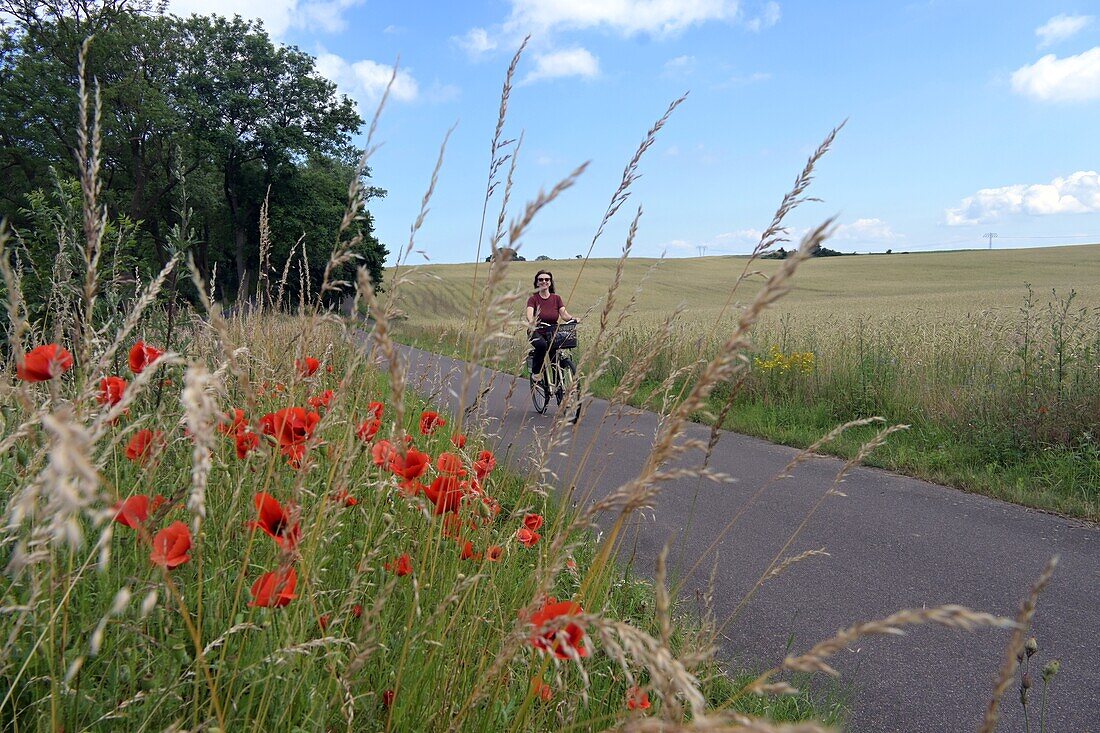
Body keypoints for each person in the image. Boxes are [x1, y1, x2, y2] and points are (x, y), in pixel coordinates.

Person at [525, 270, 578, 376]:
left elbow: (564, 315)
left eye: (547, 279)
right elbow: (529, 314)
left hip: (552, 331)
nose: (544, 281)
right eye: (541, 279)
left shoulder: (556, 298)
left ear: (550, 282)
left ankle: (558, 388)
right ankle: (536, 372)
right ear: (537, 283)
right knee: (542, 345)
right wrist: (532, 321)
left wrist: (573, 319)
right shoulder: (533, 299)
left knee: (555, 358)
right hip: (536, 331)